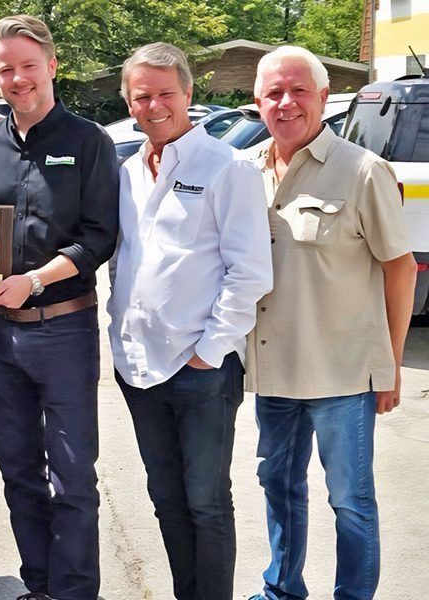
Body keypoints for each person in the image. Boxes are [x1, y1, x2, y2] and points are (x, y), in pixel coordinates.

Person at [0, 15, 119, 600]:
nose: (17, 78)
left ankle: (74, 594)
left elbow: (99, 236)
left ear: (52, 65)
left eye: (27, 65)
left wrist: (35, 280)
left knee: (72, 478)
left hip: (63, 331)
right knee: (20, 475)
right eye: (5, 69)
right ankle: (39, 587)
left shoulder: (88, 141)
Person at [245, 46, 416, 600]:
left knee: (350, 499)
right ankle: (282, 590)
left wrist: (389, 365)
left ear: (323, 97)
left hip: (342, 375)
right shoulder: (246, 173)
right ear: (257, 102)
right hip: (272, 372)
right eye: (274, 92)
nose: (286, 102)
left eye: (298, 90)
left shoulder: (362, 171)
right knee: (279, 489)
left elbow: (400, 268)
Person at [107, 43, 272, 600]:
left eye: (164, 93)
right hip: (138, 368)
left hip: (200, 369)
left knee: (206, 501)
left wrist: (211, 349)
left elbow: (249, 271)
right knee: (167, 499)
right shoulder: (127, 170)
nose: (154, 105)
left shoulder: (228, 168)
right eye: (141, 96)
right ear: (128, 101)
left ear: (188, 94)